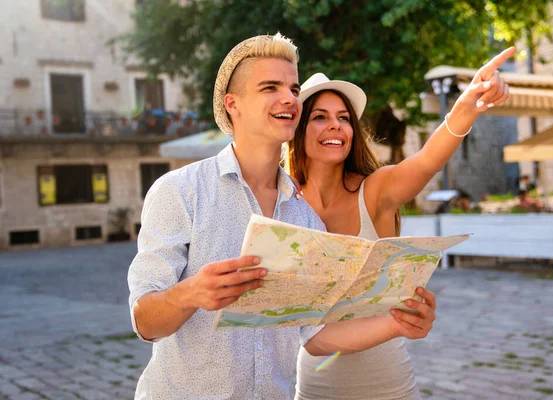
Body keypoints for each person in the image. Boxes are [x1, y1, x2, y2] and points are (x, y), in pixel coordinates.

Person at [128, 33, 438, 399]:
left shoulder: (304, 218)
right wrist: (190, 294)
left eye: (293, 88)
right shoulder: (179, 191)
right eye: (270, 87)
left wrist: (400, 323)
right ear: (233, 104)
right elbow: (144, 321)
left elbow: (316, 335)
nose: (290, 98)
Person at [287, 47, 514, 399]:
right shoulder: (283, 203)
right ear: (299, 130)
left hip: (387, 384)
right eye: (319, 116)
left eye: (343, 117)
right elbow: (305, 331)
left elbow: (426, 162)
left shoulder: (374, 191)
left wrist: (468, 103)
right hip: (315, 388)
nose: (334, 124)